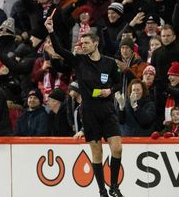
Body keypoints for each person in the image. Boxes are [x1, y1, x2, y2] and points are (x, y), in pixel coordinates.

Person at [45, 16, 123, 197]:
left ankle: (114, 186)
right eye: (81, 43)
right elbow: (59, 50)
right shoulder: (79, 61)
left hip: (107, 110)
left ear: (95, 43)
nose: (83, 45)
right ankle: (102, 190)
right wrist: (50, 30)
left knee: (117, 148)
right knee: (97, 152)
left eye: (86, 42)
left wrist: (110, 91)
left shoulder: (109, 63)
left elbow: (119, 84)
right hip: (89, 111)